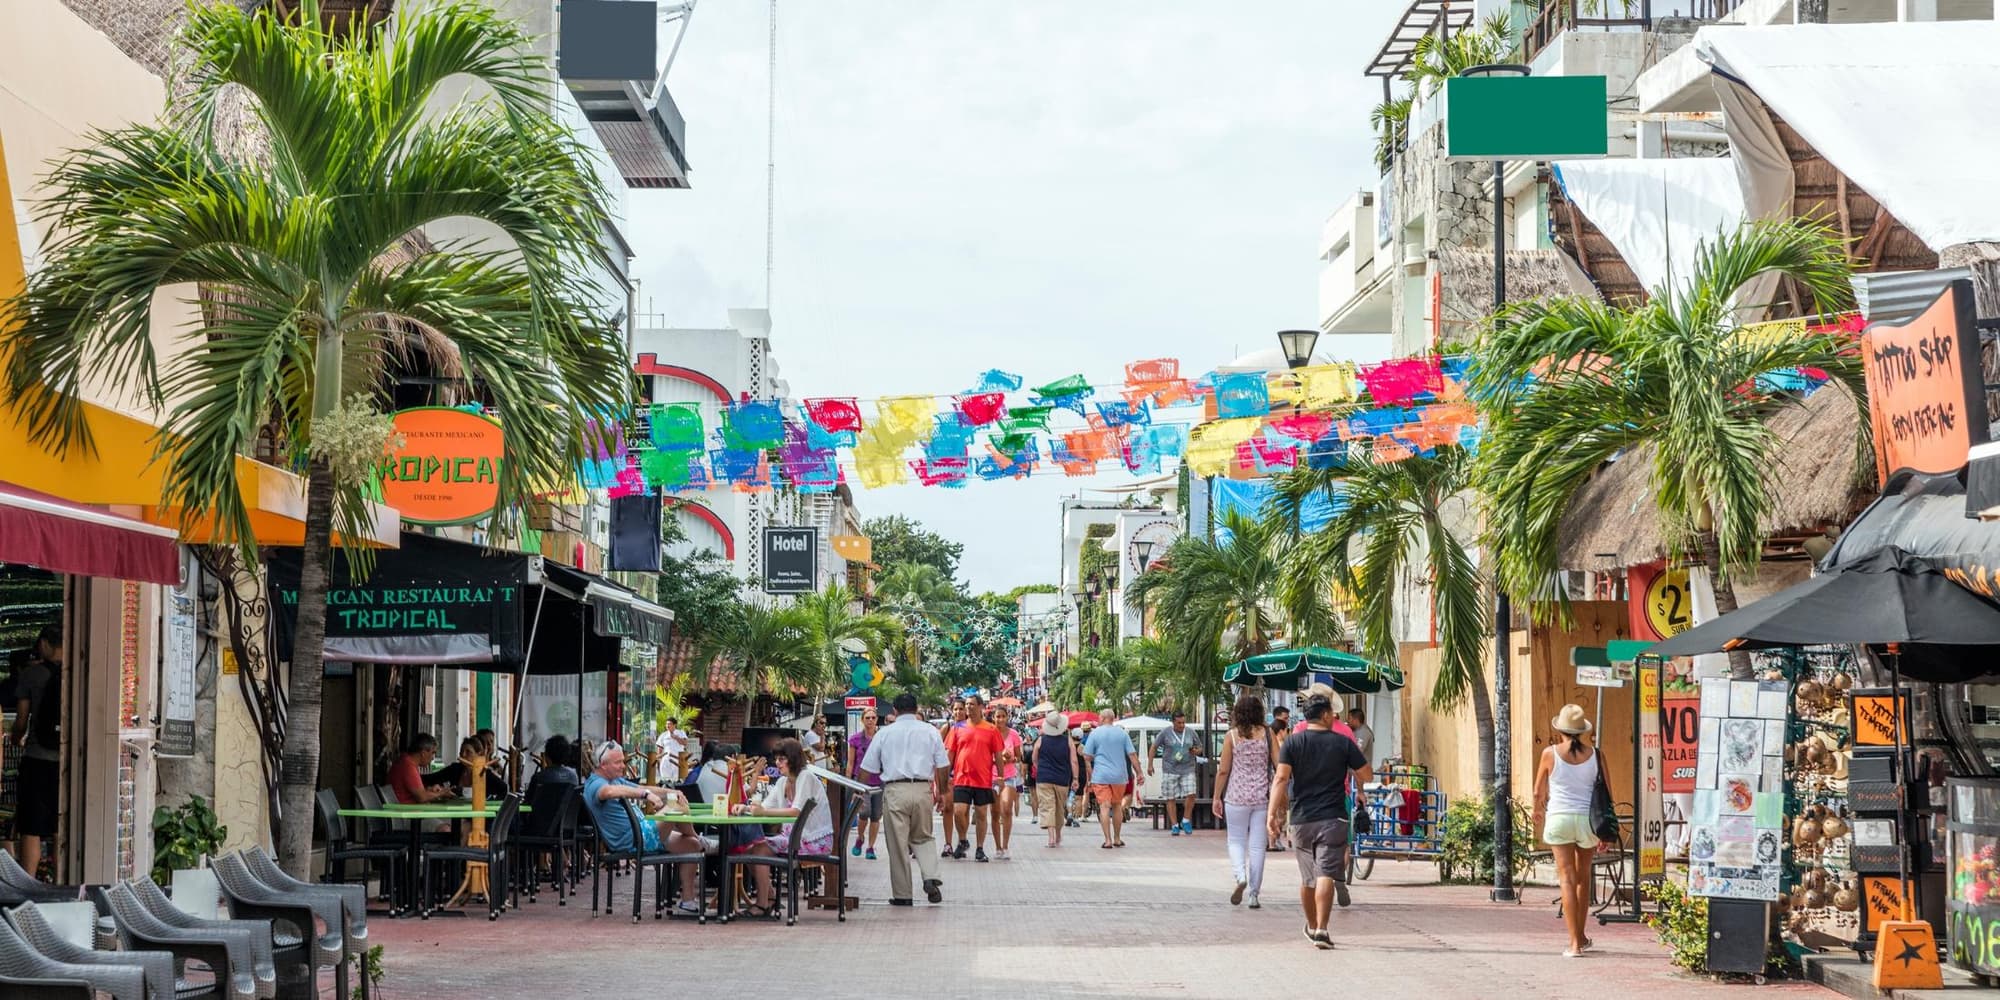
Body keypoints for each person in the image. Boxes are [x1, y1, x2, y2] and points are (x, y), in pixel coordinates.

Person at [1268, 695, 1371, 950]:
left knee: (1308, 879)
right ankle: (1322, 929)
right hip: (1333, 817)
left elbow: (1281, 779)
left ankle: (1312, 926)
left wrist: (1271, 814)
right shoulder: (1343, 742)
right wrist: (1355, 773)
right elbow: (1366, 774)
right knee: (1326, 873)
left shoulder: (1292, 742)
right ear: (1325, 715)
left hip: (1302, 818)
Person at [582, 740, 708, 915]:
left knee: (691, 845)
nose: (623, 766)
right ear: (603, 765)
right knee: (679, 807)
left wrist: (670, 792)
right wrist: (646, 795)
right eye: (618, 762)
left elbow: (641, 787)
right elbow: (608, 793)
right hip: (633, 839)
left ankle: (687, 901)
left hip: (643, 833)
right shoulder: (596, 784)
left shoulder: (615, 779)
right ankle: (702, 840)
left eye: (623, 761)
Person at [858, 693, 949, 906]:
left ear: (894, 711)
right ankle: (930, 876)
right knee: (924, 836)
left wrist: (860, 791)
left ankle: (903, 894)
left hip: (894, 790)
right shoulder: (930, 731)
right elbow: (943, 765)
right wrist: (942, 793)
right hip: (922, 789)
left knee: (897, 843)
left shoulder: (884, 734)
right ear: (915, 708)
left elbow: (867, 768)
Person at [728, 738, 832, 918]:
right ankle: (768, 897)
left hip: (813, 840)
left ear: (793, 758)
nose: (777, 763)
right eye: (776, 759)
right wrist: (746, 807)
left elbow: (796, 811)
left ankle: (764, 904)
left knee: (759, 848)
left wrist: (762, 812)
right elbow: (765, 805)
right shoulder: (783, 782)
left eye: (782, 759)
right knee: (749, 847)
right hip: (792, 838)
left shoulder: (805, 776)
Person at [1533, 704, 1601, 958]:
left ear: (1560, 729)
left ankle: (1573, 944)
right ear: (1582, 731)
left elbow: (1539, 791)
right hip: (1587, 821)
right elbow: (1606, 793)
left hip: (1560, 818)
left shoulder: (1549, 753)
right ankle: (1581, 937)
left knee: (1567, 879)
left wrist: (1537, 810)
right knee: (1584, 879)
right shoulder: (1596, 755)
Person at [1213, 694, 1280, 908]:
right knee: (1258, 846)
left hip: (1235, 796)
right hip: (1262, 797)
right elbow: (1280, 766)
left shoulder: (1231, 736)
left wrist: (1216, 796)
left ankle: (1240, 876)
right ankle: (1254, 894)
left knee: (1236, 840)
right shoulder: (1268, 734)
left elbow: (1223, 770)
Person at [9, 626, 61, 877]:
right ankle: (64, 883)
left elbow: (21, 720)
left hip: (37, 759)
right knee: (59, 824)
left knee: (31, 826)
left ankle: (28, 884)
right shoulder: (77, 673)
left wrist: (16, 738)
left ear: (44, 644)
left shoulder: (32, 675)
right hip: (66, 762)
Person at [945, 695, 1004, 861]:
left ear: (980, 707)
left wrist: (1000, 776)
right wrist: (945, 775)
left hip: (983, 779)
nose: (968, 708)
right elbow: (950, 754)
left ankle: (980, 848)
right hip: (961, 777)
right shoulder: (957, 728)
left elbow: (998, 755)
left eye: (971, 705)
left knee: (981, 814)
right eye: (967, 705)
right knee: (958, 812)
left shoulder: (991, 729)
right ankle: (963, 840)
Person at [1081, 709, 1140, 849]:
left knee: (1104, 806)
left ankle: (1107, 840)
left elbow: (1086, 757)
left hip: (1101, 775)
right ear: (1113, 719)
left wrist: (1093, 766)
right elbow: (1132, 755)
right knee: (1117, 805)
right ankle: (1117, 838)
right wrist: (1139, 772)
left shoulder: (1095, 734)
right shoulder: (1122, 733)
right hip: (1119, 776)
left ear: (1102, 718)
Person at [1149, 709, 1205, 836]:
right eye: (1179, 723)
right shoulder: (1165, 733)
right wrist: (1150, 764)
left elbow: (1200, 747)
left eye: (1183, 722)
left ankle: (1185, 820)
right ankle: (1174, 825)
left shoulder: (1190, 732)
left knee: (1191, 794)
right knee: (1170, 797)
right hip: (1170, 769)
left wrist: (1196, 751)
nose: (1182, 725)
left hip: (1188, 768)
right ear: (1173, 722)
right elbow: (1154, 747)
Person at [1032, 711, 1078, 847]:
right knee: (1059, 807)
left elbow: (1034, 758)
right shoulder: (1068, 741)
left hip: (1044, 778)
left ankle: (1051, 837)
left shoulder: (1040, 740)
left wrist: (1041, 767)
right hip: (1062, 779)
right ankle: (1057, 836)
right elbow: (1074, 761)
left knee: (1048, 807)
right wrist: (1075, 778)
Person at [847, 707, 883, 860]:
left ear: (877, 720)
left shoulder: (882, 738)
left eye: (873, 718)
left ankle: (870, 847)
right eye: (867, 718)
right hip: (861, 781)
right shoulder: (855, 739)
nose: (870, 720)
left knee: (876, 815)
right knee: (864, 812)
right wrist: (850, 783)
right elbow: (850, 763)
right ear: (862, 720)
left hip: (879, 781)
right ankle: (860, 838)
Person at [990, 706, 1023, 859]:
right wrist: (996, 759)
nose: (1000, 719)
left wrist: (1010, 758)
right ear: (993, 718)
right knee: (995, 812)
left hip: (1009, 776)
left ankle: (1006, 845)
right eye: (998, 716)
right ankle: (997, 847)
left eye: (1003, 716)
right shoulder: (989, 733)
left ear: (1007, 717)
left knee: (1007, 809)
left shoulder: (1014, 734)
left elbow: (1019, 756)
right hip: (991, 776)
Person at [388, 734, 456, 804]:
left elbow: (417, 793)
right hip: (404, 811)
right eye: (433, 753)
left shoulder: (406, 760)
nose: (433, 758)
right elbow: (422, 798)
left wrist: (430, 790)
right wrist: (442, 793)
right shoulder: (408, 765)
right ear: (423, 753)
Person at [655, 717, 690, 784]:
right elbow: (659, 750)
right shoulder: (663, 735)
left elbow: (685, 743)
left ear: (674, 725)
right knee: (666, 781)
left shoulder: (681, 733)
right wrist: (658, 761)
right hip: (666, 761)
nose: (667, 726)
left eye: (670, 724)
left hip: (678, 760)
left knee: (677, 781)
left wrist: (676, 737)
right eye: (666, 724)